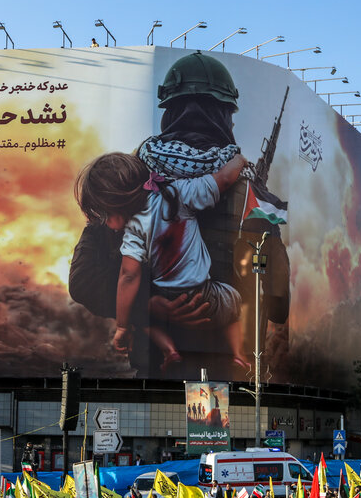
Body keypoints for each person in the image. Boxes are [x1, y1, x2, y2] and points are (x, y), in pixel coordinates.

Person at [75, 150, 250, 372]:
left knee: (146, 323)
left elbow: (128, 276)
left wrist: (122, 325)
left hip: (166, 295)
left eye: (106, 215)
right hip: (201, 293)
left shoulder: (133, 232)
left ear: (121, 203)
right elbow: (224, 179)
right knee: (233, 302)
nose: (105, 223)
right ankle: (239, 354)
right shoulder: (178, 194)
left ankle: (170, 350)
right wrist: (239, 160)